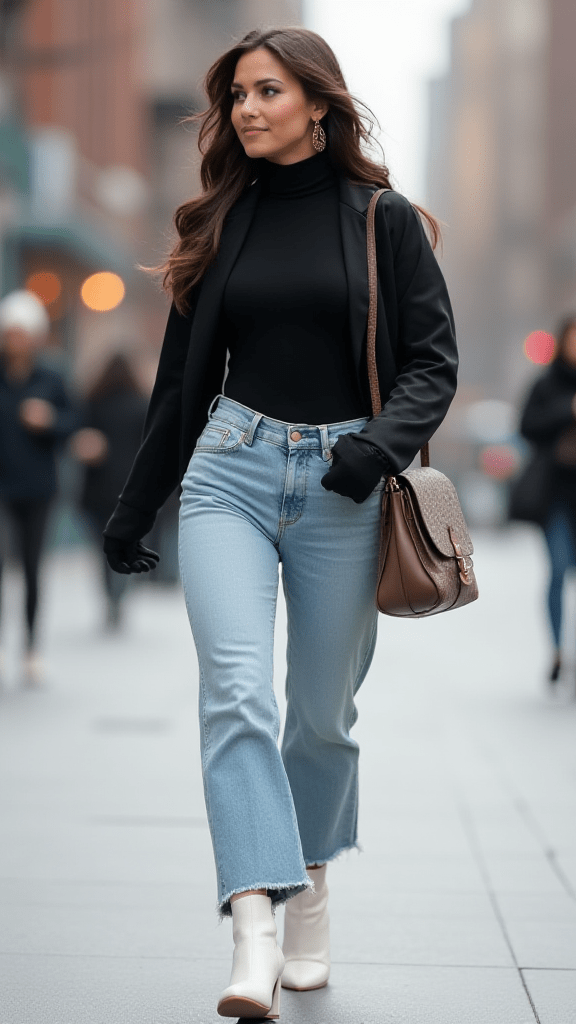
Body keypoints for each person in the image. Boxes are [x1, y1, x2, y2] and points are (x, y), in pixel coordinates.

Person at [103, 27, 458, 1020]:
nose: (247, 111)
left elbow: (434, 360)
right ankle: (252, 922)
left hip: (346, 485)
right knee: (235, 696)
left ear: (319, 104)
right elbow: (180, 385)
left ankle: (312, 881)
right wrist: (138, 505)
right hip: (231, 474)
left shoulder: (380, 219)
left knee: (318, 716)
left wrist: (372, 450)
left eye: (266, 92)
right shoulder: (224, 224)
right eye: (237, 97)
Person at [0, 289, 77, 682]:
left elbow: (74, 426)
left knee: (31, 568)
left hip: (37, 486)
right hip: (3, 485)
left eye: (22, 332)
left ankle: (31, 647)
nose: (15, 339)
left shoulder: (51, 377)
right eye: (10, 331)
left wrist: (49, 421)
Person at [514, 315, 576, 687]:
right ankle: (556, 651)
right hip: (554, 494)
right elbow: (525, 427)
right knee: (558, 568)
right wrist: (565, 412)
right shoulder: (546, 384)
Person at [71, 352, 149, 629]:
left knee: (102, 549)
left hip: (97, 490)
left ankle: (110, 594)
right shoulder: (142, 405)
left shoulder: (93, 403)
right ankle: (119, 593)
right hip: (129, 490)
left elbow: (80, 438)